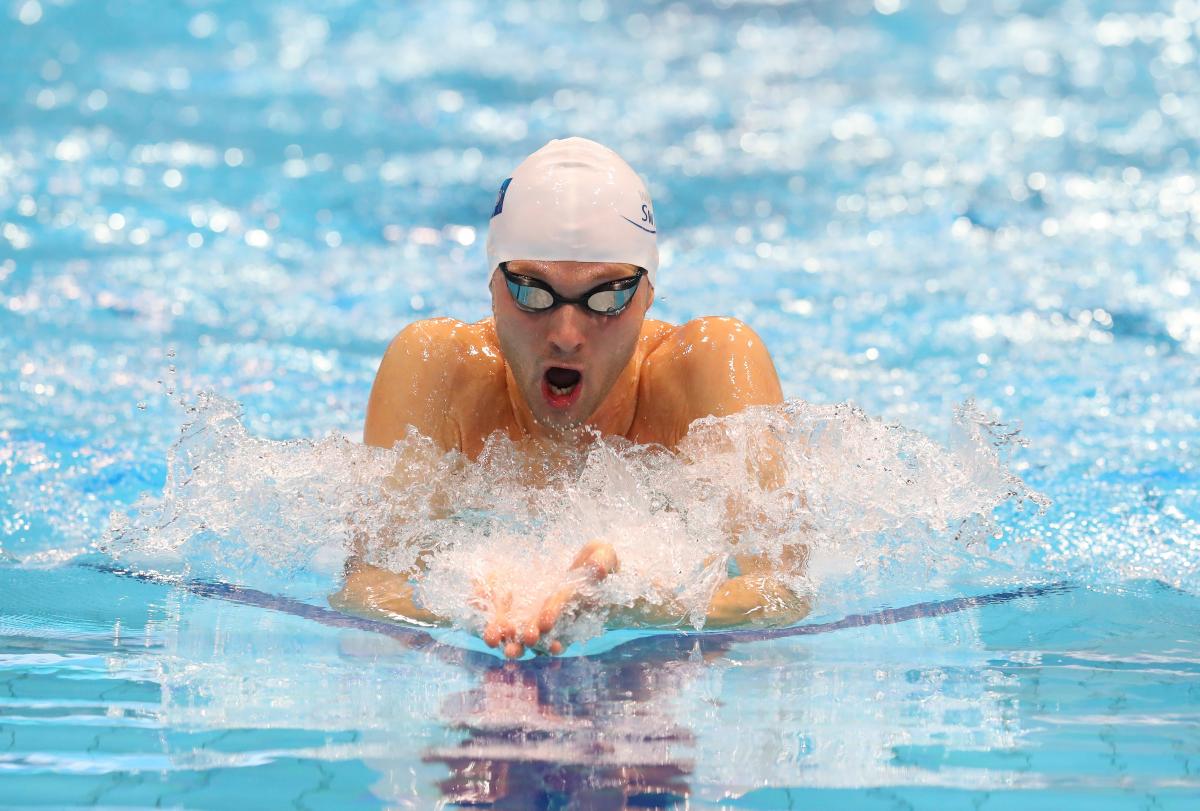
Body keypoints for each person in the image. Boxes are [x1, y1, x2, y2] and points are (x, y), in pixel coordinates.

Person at [333, 137, 808, 658]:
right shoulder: (437, 369)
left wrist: (638, 607)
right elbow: (366, 586)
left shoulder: (707, 367)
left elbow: (783, 593)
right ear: (493, 286)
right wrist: (460, 609)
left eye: (606, 296)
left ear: (647, 293)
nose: (566, 333)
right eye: (531, 291)